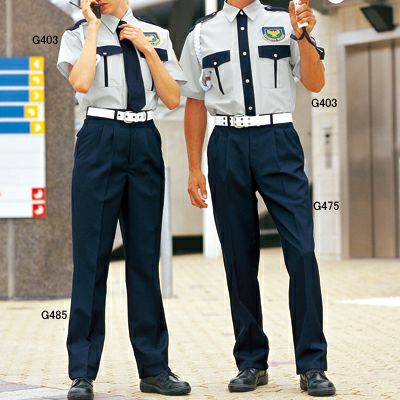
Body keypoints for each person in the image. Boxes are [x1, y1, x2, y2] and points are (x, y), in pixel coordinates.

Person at [180, 0, 336, 397]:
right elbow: (194, 102)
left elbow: (316, 83)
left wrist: (303, 37)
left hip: (278, 141)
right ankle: (250, 362)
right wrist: (194, 168)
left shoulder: (286, 23)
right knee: (238, 256)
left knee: (302, 251)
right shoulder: (200, 35)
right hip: (226, 143)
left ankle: (312, 365)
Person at [57, 0, 190, 398]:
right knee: (92, 260)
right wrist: (93, 30)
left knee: (145, 261)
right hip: (99, 139)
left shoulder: (158, 35)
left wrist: (147, 50)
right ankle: (82, 372)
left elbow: (171, 98)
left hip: (145, 139)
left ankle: (154, 369)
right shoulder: (77, 34)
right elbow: (81, 83)